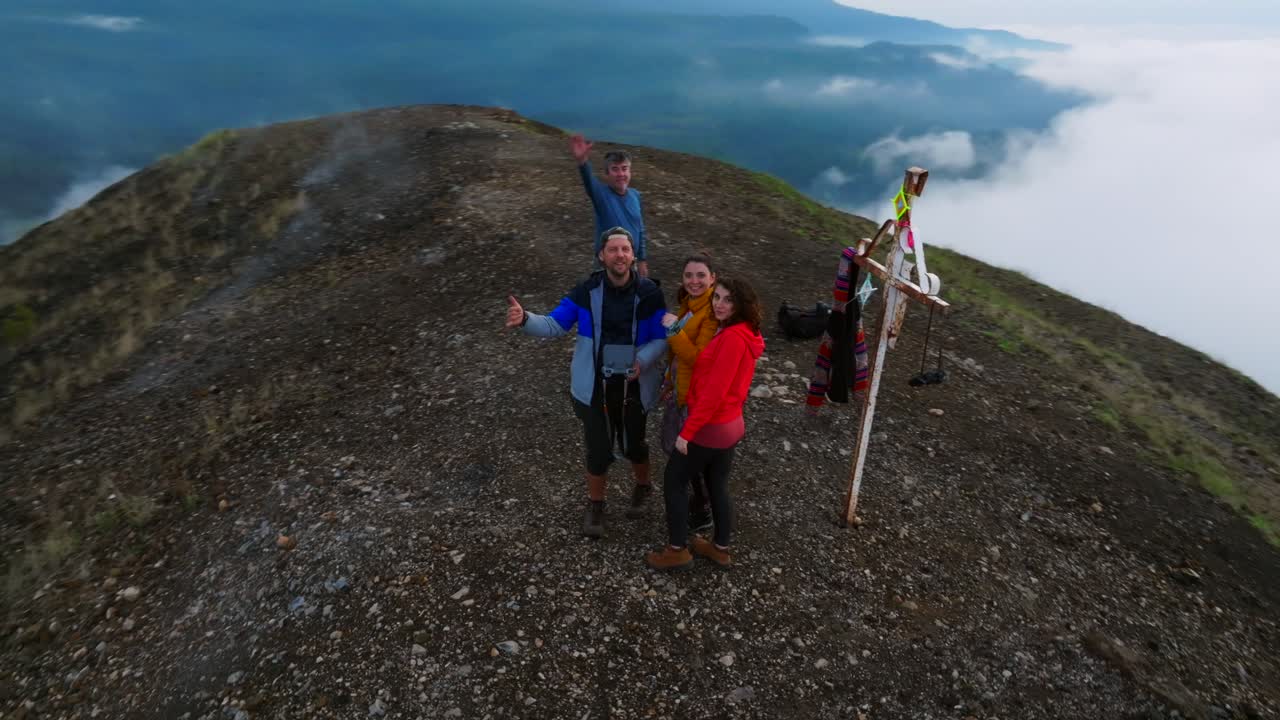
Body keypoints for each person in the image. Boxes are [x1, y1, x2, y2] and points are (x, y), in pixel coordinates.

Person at [505, 228, 667, 537]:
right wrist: (526, 318)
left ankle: (644, 487)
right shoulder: (586, 290)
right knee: (597, 449)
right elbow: (555, 324)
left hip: (634, 382)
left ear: (633, 255)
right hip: (594, 387)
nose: (619, 255)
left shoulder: (649, 293)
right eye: (613, 249)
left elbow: (661, 339)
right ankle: (596, 506)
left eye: (625, 249)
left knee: (636, 444)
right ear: (601, 256)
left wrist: (641, 362)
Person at [646, 276, 765, 570]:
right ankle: (720, 548)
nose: (720, 304)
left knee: (674, 480)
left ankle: (677, 550)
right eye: (717, 297)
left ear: (741, 305)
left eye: (728, 299)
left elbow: (714, 393)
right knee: (718, 485)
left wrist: (687, 433)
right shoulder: (745, 332)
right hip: (731, 423)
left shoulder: (733, 338)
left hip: (712, 426)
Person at [659, 253, 720, 535]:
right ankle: (699, 504)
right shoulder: (688, 304)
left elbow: (698, 359)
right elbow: (677, 356)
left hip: (695, 398)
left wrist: (672, 328)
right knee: (682, 452)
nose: (693, 281)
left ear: (712, 279)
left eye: (700, 276)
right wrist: (669, 382)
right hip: (681, 391)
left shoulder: (710, 312)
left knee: (690, 455)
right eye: (688, 276)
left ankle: (703, 509)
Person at [570, 134, 649, 278]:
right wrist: (582, 161)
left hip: (631, 262)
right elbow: (589, 182)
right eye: (615, 169)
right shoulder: (601, 195)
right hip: (607, 266)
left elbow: (640, 229)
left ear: (630, 172)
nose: (621, 174)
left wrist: (642, 259)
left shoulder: (635, 195)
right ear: (607, 174)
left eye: (624, 169)